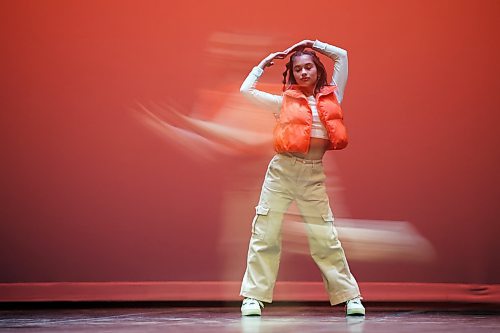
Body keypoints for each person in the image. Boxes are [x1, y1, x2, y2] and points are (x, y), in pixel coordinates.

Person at [239, 39, 365, 316]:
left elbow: (342, 55)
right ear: (292, 74)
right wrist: (264, 64)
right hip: (282, 172)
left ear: (318, 70)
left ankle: (350, 297)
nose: (304, 72)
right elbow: (246, 90)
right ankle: (253, 297)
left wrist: (313, 44)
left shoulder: (333, 97)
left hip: (312, 175)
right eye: (298, 69)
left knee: (325, 237)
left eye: (309, 67)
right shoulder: (282, 102)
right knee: (265, 232)